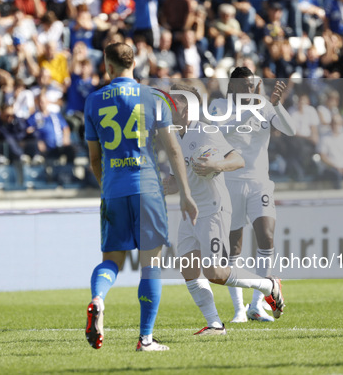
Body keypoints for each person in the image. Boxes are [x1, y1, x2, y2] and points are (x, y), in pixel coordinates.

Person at [83, 43, 198, 352]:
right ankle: (145, 338)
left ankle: (98, 299)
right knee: (151, 264)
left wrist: (106, 185)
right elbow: (173, 149)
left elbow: (94, 159)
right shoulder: (153, 97)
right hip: (147, 186)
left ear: (107, 66)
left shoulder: (93, 102)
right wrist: (185, 193)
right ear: (136, 63)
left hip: (114, 188)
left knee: (112, 261)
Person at [164, 84, 278, 334]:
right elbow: (175, 179)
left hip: (214, 210)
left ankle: (268, 286)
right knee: (189, 270)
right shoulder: (172, 136)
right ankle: (215, 323)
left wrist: (216, 163)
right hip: (190, 213)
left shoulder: (206, 131)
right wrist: (160, 186)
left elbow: (238, 159)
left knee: (215, 272)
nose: (170, 104)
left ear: (189, 107)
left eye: (176, 100)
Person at [209, 67, 295, 322]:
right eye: (245, 84)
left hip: (259, 183)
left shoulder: (264, 105)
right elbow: (217, 132)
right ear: (233, 85)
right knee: (232, 248)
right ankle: (238, 310)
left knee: (266, 236)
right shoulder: (219, 105)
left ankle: (257, 304)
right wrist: (251, 110)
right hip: (230, 182)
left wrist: (276, 106)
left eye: (252, 84)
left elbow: (290, 130)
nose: (250, 88)